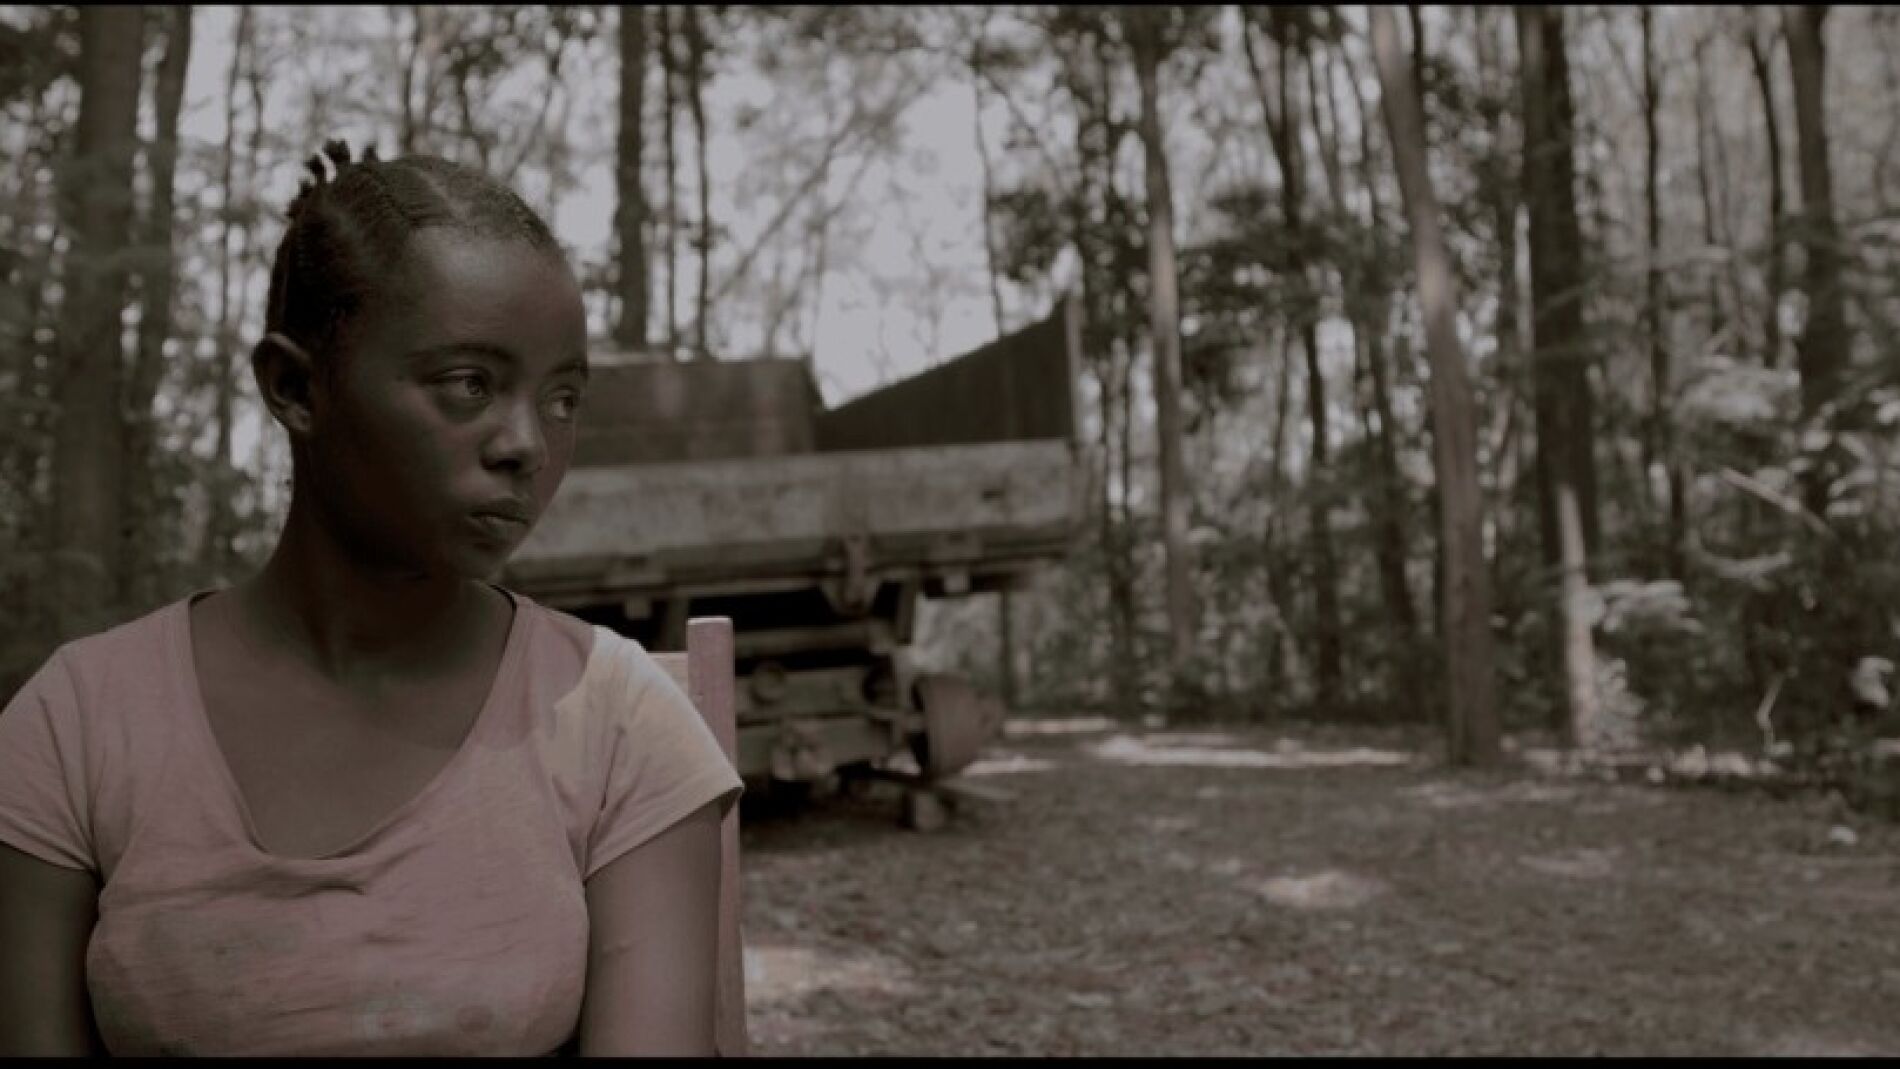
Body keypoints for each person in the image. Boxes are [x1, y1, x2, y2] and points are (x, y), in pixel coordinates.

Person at [0, 141, 742, 1056]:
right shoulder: (78, 725)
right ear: (295, 387)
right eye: (469, 384)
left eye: (562, 398)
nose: (528, 444)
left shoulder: (621, 726)